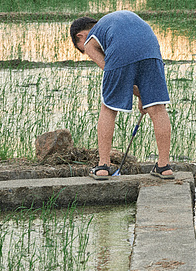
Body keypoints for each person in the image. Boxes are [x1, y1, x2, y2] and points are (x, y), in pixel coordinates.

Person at [69, 11, 174, 180]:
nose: (85, 50)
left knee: (108, 107)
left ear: (80, 36)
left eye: (80, 46)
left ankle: (103, 166)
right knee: (157, 108)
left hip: (121, 49)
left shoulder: (90, 40)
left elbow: (110, 69)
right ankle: (164, 166)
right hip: (151, 47)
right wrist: (143, 97)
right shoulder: (113, 22)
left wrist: (138, 94)